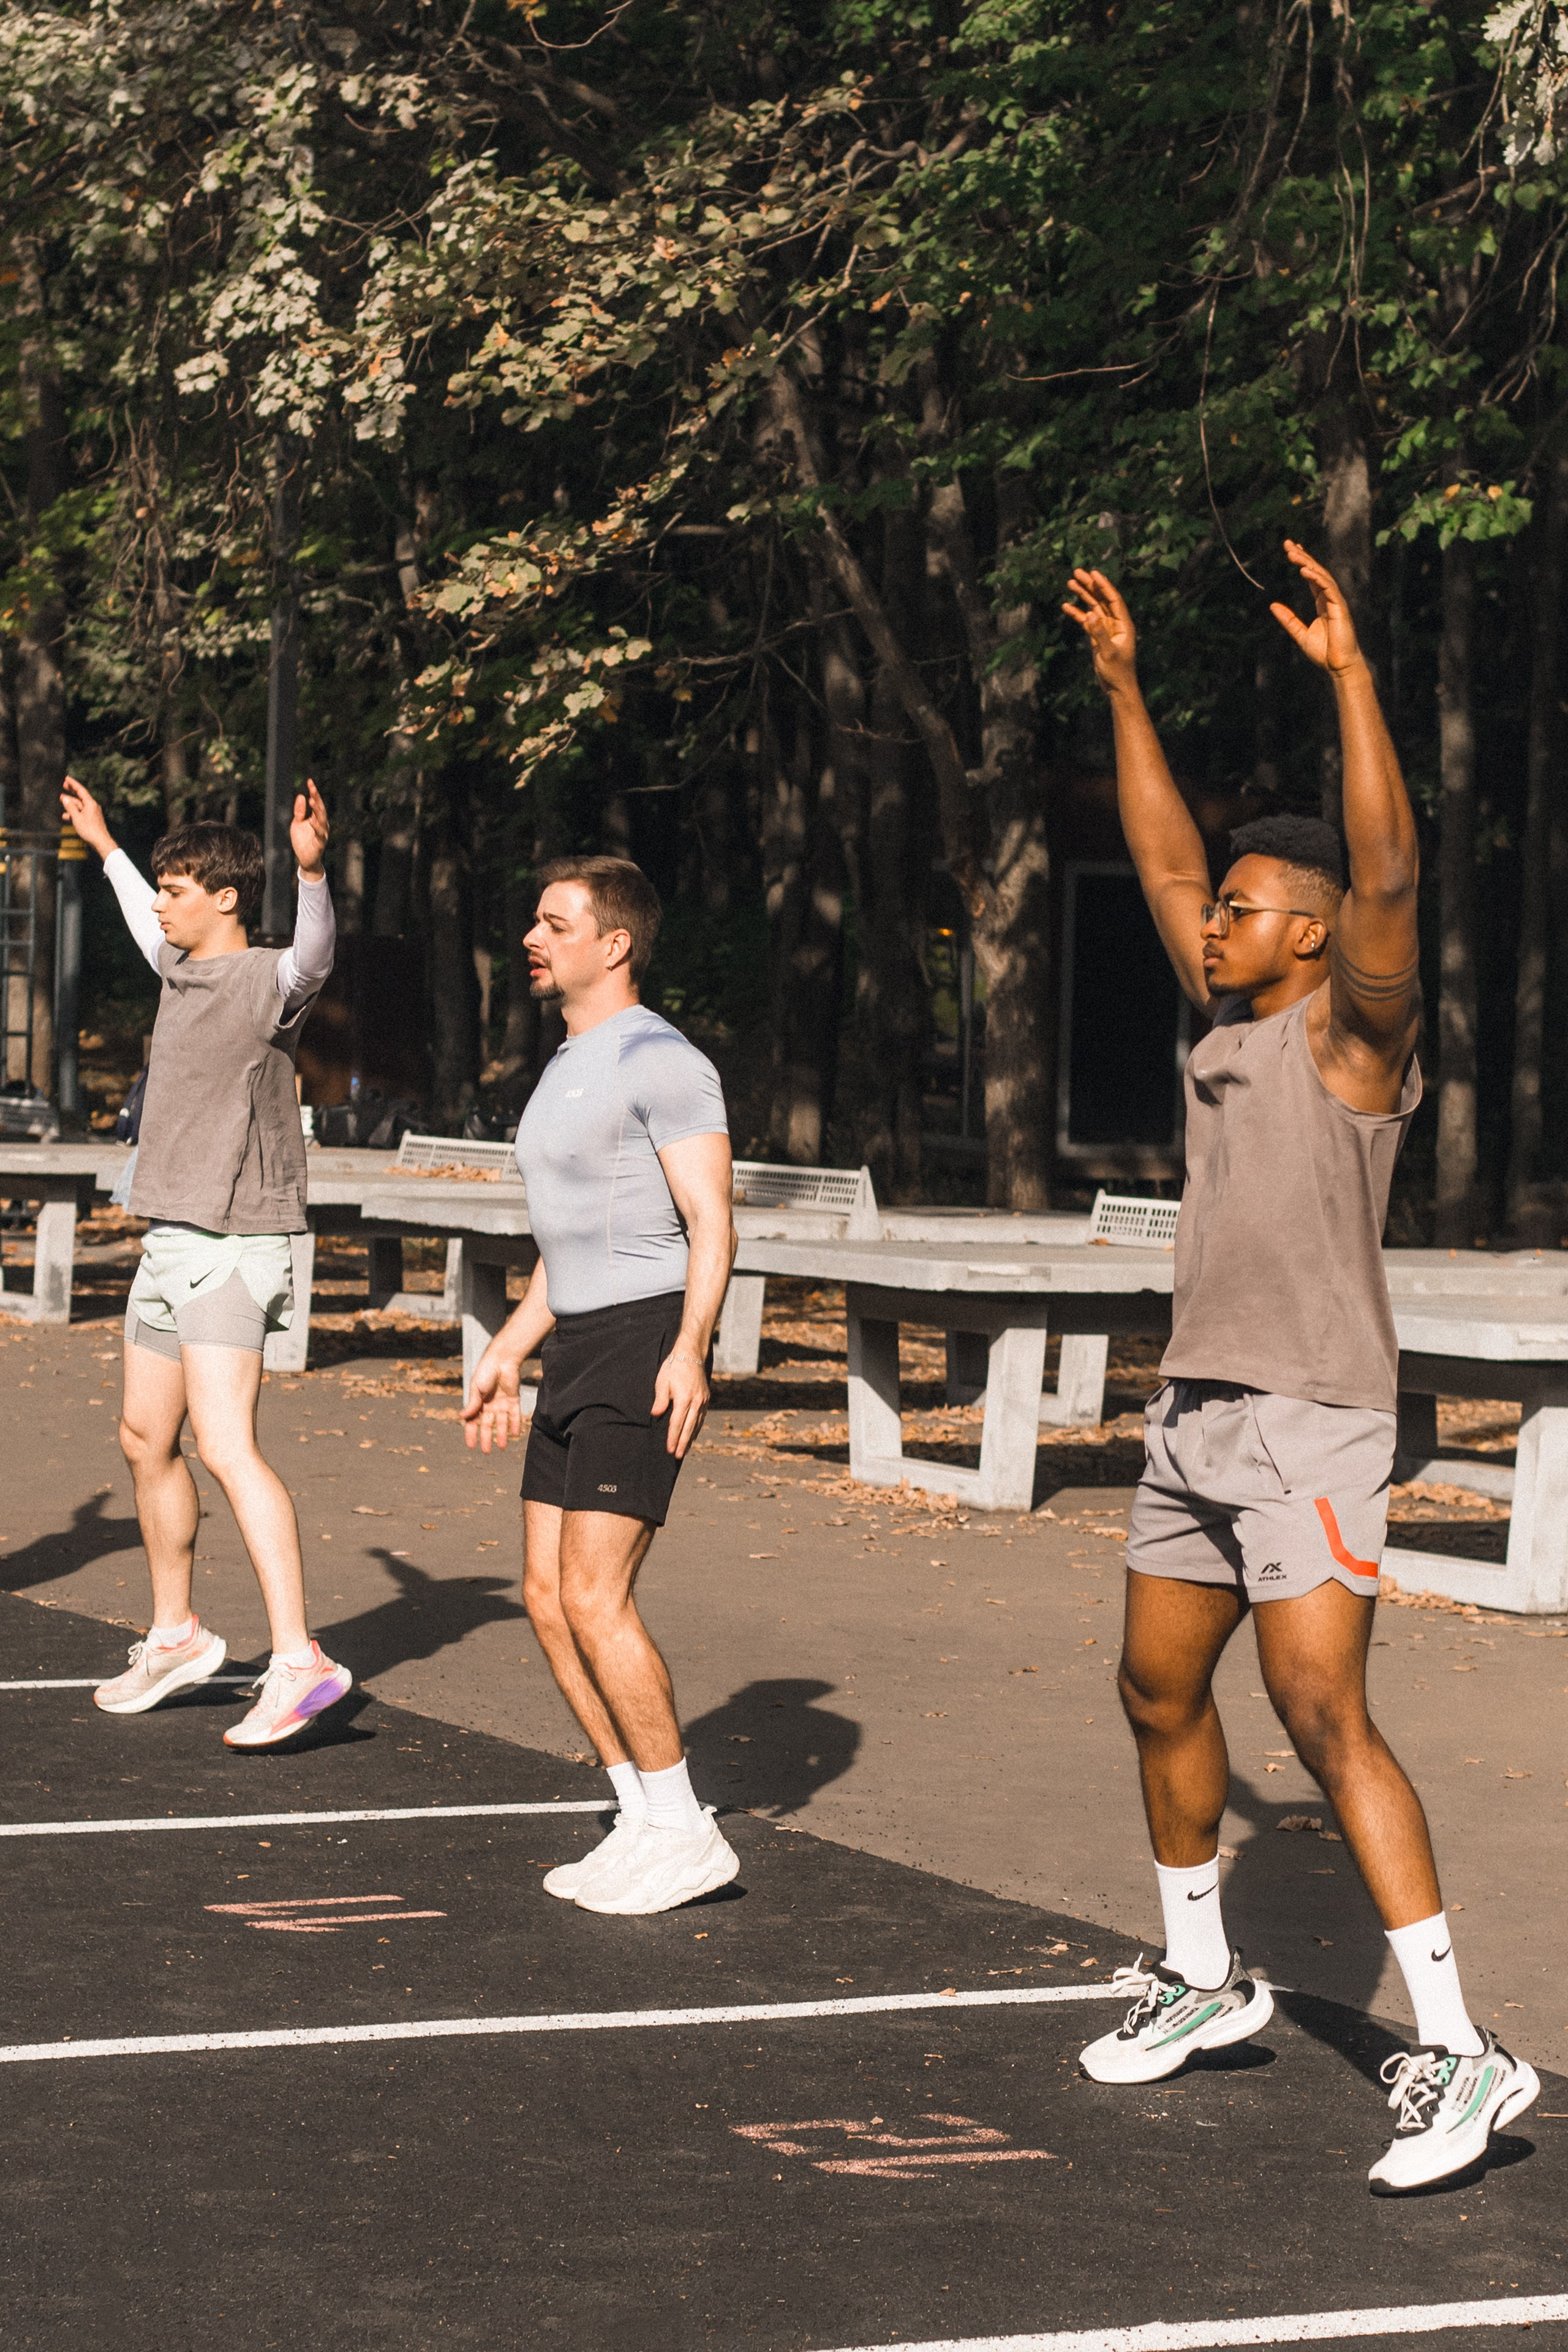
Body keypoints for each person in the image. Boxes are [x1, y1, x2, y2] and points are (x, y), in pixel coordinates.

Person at [1062, 544, 1539, 2194]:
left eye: (1250, 910)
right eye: (1224, 908)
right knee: (1155, 1690)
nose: (1218, 923)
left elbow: (1396, 871)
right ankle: (1206, 1972)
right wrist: (1124, 687)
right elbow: (1160, 852)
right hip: (1194, 1415)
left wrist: (1350, 676)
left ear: (1320, 933)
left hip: (1311, 1422)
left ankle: (1464, 2054)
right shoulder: (1219, 1029)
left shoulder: (1357, 1032)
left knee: (1324, 1709)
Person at [462, 855, 739, 1917]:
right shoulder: (568, 1060)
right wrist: (509, 1346)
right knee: (544, 1597)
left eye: (555, 923)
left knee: (594, 1593)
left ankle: (686, 1829)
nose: (534, 937)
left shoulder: (664, 1061)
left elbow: (710, 1221)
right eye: (534, 920)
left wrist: (692, 1348)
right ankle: (642, 1816)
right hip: (577, 1337)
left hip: (642, 1341)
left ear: (613, 943)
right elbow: (568, 1242)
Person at [61, 775, 353, 1749]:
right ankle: (178, 1635)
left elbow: (315, 956)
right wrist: (105, 843)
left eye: (177, 888)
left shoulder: (269, 980)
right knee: (147, 1440)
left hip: (238, 1244)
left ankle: (300, 1659)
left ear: (225, 898)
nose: (161, 901)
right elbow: (134, 904)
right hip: (170, 1235)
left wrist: (312, 872)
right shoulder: (179, 970)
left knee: (227, 1445)